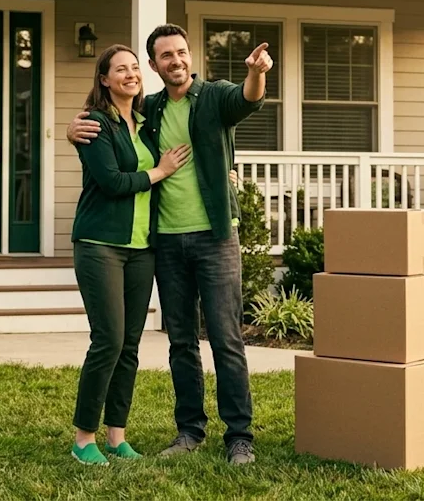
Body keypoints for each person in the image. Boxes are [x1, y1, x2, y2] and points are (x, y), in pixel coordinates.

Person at [67, 24, 272, 466]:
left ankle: (239, 436)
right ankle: (189, 430)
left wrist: (257, 73)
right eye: (164, 56)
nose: (175, 61)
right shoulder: (152, 109)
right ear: (156, 65)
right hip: (165, 241)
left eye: (181, 52)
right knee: (181, 340)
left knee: (226, 339)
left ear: (190, 56)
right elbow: (110, 133)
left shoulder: (214, 96)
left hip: (215, 237)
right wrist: (73, 129)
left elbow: (248, 99)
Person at [69, 43, 191, 466]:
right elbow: (112, 181)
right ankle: (84, 438)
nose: (130, 74)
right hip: (100, 244)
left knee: (131, 345)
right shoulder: (94, 124)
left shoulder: (145, 122)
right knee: (108, 340)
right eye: (120, 69)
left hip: (142, 248)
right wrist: (160, 172)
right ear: (104, 79)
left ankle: (116, 435)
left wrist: (226, 166)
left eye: (135, 68)